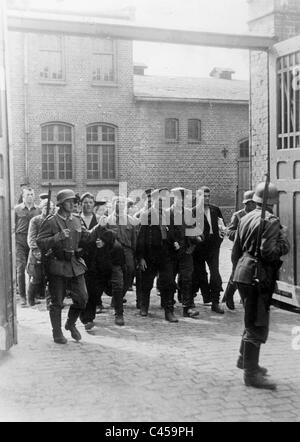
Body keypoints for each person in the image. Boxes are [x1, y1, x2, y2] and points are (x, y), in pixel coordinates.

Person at [232, 181, 290, 390]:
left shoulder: (245, 217)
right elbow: (269, 252)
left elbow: (236, 249)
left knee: (250, 319)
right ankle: (251, 373)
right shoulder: (272, 221)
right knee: (257, 324)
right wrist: (284, 240)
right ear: (273, 202)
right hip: (259, 275)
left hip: (243, 272)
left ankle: (244, 359)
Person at [36, 189, 105, 344]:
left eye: (74, 201)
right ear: (61, 204)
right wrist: (57, 237)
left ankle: (71, 323)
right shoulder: (51, 221)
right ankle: (57, 332)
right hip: (57, 265)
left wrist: (98, 228)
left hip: (74, 264)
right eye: (69, 201)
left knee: (82, 298)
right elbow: (40, 242)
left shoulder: (76, 220)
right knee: (57, 302)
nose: (73, 204)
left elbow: (86, 236)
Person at [137, 188, 178, 322]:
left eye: (164, 200)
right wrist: (141, 257)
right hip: (150, 254)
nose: (162, 203)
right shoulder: (146, 215)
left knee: (168, 282)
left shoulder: (168, 215)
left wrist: (175, 242)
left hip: (165, 253)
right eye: (160, 200)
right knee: (147, 282)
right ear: (154, 200)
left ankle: (169, 311)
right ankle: (144, 306)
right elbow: (141, 237)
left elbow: (171, 232)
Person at [80, 229, 126, 328]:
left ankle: (119, 314)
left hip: (114, 267)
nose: (98, 242)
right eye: (97, 240)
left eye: (100, 240)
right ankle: (88, 318)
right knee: (93, 292)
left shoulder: (117, 248)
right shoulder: (93, 246)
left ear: (107, 241)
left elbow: (121, 266)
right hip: (98, 270)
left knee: (118, 288)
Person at [169, 187, 204, 318]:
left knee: (187, 279)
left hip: (186, 251)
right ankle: (168, 305)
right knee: (169, 279)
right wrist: (171, 242)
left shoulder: (188, 213)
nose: (181, 201)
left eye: (183, 199)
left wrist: (197, 238)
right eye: (178, 198)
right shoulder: (168, 213)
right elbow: (164, 232)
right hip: (171, 253)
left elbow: (196, 229)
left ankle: (187, 307)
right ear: (174, 198)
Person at [192, 186, 226, 314]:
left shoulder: (215, 210)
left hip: (213, 246)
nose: (206, 198)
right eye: (203, 196)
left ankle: (215, 302)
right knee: (200, 274)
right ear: (198, 197)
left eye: (208, 196)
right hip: (199, 248)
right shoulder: (193, 211)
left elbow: (222, 226)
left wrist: (219, 239)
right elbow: (189, 229)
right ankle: (206, 297)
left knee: (215, 273)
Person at [222, 190, 256, 310]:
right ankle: (229, 295)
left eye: (251, 203)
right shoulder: (238, 215)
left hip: (252, 250)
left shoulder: (257, 215)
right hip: (239, 251)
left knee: (251, 276)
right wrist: (242, 234)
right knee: (236, 276)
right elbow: (229, 232)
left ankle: (244, 298)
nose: (249, 205)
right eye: (247, 203)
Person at [15, 187, 41, 306]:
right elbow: (13, 225)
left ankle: (32, 295)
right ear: (23, 196)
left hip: (33, 242)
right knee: (21, 268)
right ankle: (22, 297)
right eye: (27, 194)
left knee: (33, 269)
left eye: (31, 194)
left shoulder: (38, 210)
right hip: (20, 241)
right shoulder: (17, 209)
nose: (30, 196)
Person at [26, 198, 55, 306]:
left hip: (49, 253)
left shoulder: (54, 220)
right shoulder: (35, 220)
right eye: (46, 207)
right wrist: (36, 251)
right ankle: (30, 300)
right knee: (35, 278)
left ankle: (50, 302)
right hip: (36, 253)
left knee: (50, 278)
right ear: (41, 208)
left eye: (51, 208)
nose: (48, 210)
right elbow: (31, 238)